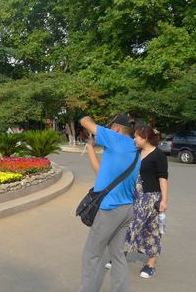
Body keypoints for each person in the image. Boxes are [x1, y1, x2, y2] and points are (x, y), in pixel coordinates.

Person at [79, 114, 141, 292]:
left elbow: (84, 121)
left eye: (108, 128)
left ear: (116, 129)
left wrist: (88, 118)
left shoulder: (116, 140)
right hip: (126, 210)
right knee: (118, 255)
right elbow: (101, 174)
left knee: (91, 254)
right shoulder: (132, 149)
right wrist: (91, 148)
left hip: (110, 210)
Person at [124, 125, 169, 278]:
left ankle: (151, 264)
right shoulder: (137, 153)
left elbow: (163, 178)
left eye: (137, 136)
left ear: (145, 138)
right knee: (127, 224)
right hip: (134, 196)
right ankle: (119, 256)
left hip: (151, 198)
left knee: (151, 229)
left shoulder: (158, 155)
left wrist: (164, 200)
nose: (134, 139)